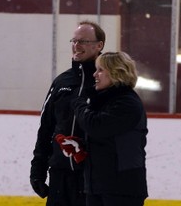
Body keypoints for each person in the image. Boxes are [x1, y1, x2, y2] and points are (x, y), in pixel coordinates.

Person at [30, 20, 106, 206]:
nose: (76, 45)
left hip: (92, 176)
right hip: (60, 174)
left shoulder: (106, 82)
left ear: (99, 45)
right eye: (74, 40)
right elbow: (46, 128)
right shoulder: (61, 82)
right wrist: (37, 170)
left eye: (83, 41)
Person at [71, 51, 148, 206]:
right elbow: (108, 141)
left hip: (122, 188)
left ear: (116, 72)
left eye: (100, 70)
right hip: (98, 186)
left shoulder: (127, 103)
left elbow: (95, 126)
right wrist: (80, 146)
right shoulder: (104, 100)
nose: (94, 75)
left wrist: (79, 103)